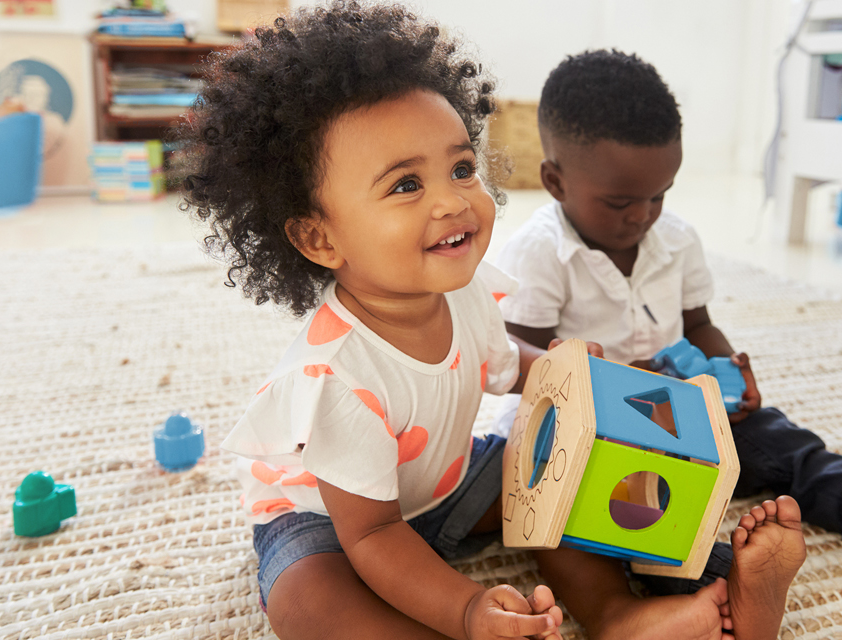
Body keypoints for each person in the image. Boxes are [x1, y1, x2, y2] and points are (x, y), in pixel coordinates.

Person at [177, 4, 806, 638]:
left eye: (460, 169)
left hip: (448, 488)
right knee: (308, 601)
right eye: (404, 186)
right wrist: (468, 608)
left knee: (568, 468)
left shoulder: (466, 294)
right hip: (334, 526)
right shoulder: (334, 380)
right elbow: (373, 533)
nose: (453, 200)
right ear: (318, 239)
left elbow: (510, 369)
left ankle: (641, 610)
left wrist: (573, 377)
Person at [489, 49, 842, 601]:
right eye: (619, 202)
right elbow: (523, 361)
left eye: (660, 195)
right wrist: (612, 384)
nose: (642, 215)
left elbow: (699, 324)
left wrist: (730, 369)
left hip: (685, 411)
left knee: (790, 447)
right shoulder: (539, 254)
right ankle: (729, 586)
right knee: (629, 518)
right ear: (555, 182)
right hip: (590, 437)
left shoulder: (675, 239)